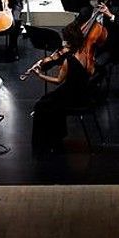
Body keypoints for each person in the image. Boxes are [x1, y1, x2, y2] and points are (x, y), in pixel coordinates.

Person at [26, 21, 89, 156]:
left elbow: (58, 81)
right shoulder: (83, 52)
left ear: (69, 40)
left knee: (41, 106)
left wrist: (40, 75)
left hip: (73, 96)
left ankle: (42, 144)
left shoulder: (69, 60)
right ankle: (57, 136)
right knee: (47, 100)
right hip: (81, 90)